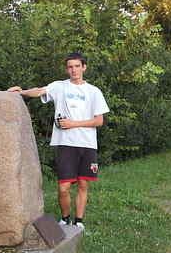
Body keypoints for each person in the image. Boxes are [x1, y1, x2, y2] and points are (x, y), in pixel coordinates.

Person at [8, 52, 109, 230]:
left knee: (83, 184)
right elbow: (40, 91)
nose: (74, 70)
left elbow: (99, 121)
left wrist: (73, 124)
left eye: (77, 66)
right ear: (66, 69)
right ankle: (65, 218)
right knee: (63, 187)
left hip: (87, 144)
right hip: (65, 143)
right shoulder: (59, 87)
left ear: (83, 67)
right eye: (70, 67)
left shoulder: (94, 91)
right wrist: (21, 92)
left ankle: (78, 222)